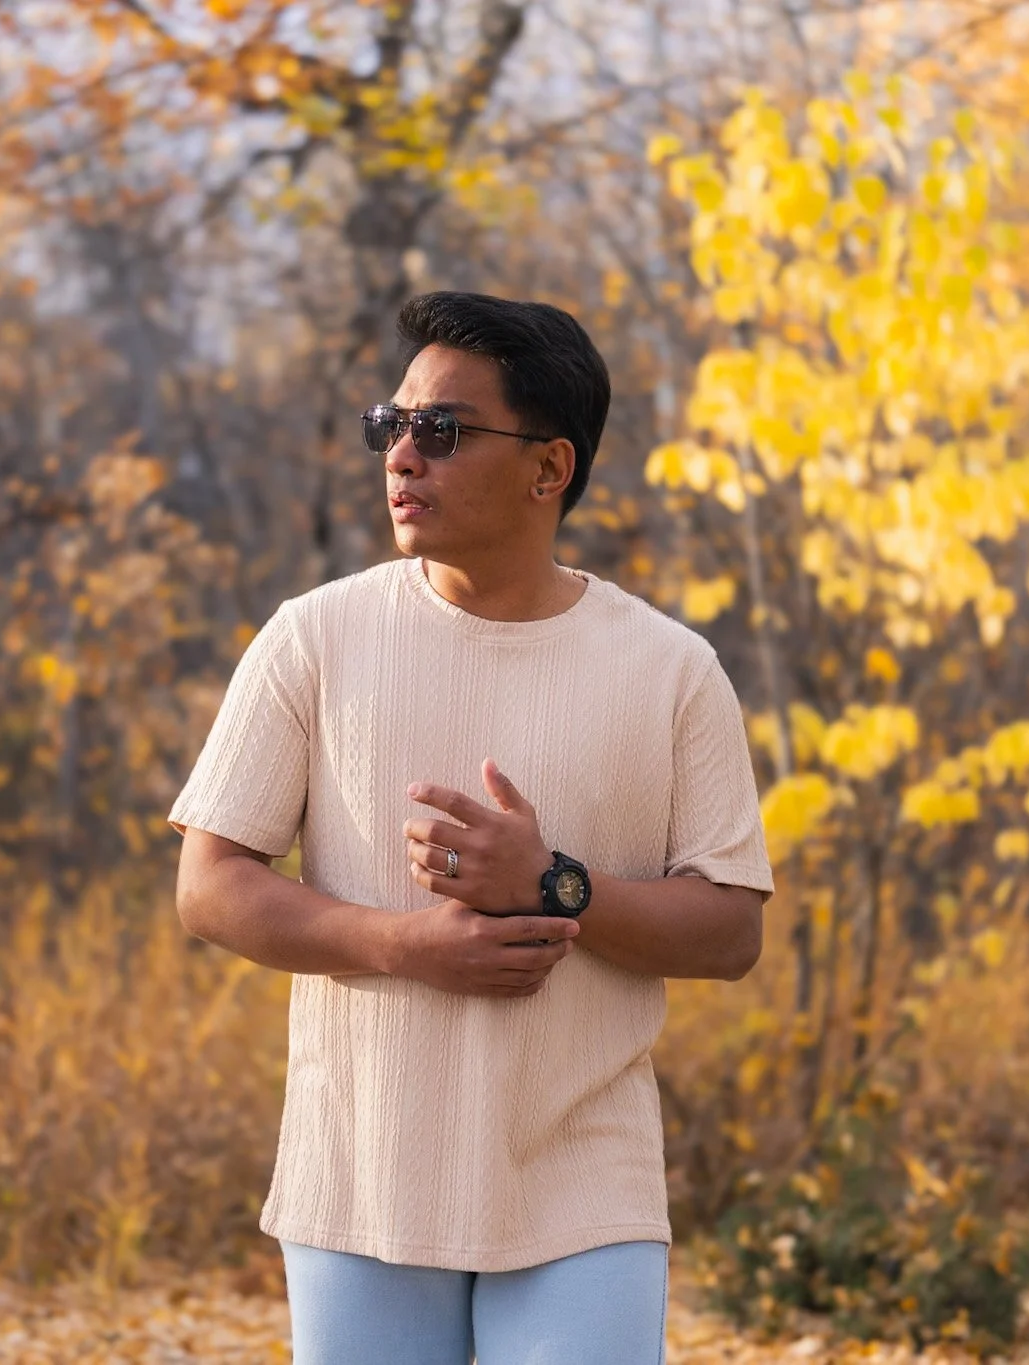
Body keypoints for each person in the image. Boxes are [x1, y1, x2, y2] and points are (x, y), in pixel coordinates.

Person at [169, 291, 774, 1364]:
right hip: (360, 1184)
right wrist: (404, 945)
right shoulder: (313, 638)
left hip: (584, 1189)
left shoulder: (672, 670)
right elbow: (208, 885)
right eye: (390, 424)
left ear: (549, 468)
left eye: (441, 430)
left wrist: (553, 884)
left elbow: (730, 932)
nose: (402, 455)